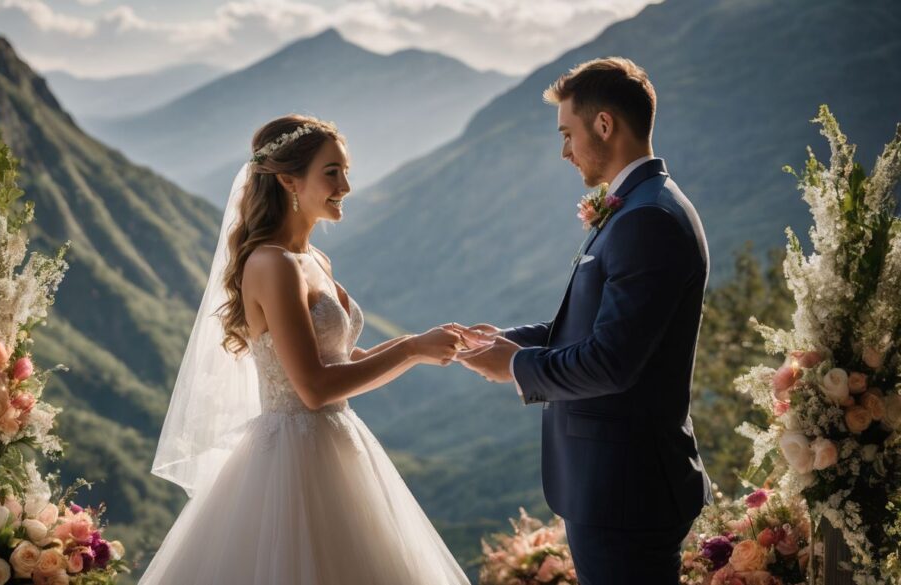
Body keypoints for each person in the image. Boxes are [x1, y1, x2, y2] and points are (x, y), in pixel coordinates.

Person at [142, 114, 470, 584]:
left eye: (345, 171)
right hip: (292, 461)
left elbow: (342, 360)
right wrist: (413, 349)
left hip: (337, 444)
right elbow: (314, 389)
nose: (346, 186)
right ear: (288, 180)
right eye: (332, 172)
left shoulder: (315, 259)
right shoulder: (272, 265)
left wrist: (421, 343)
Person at [455, 57, 713, 585]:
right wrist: (504, 341)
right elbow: (590, 327)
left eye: (567, 134)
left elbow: (612, 363)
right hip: (612, 484)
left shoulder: (648, 219)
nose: (565, 152)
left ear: (603, 125)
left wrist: (518, 366)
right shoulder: (638, 205)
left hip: (626, 489)